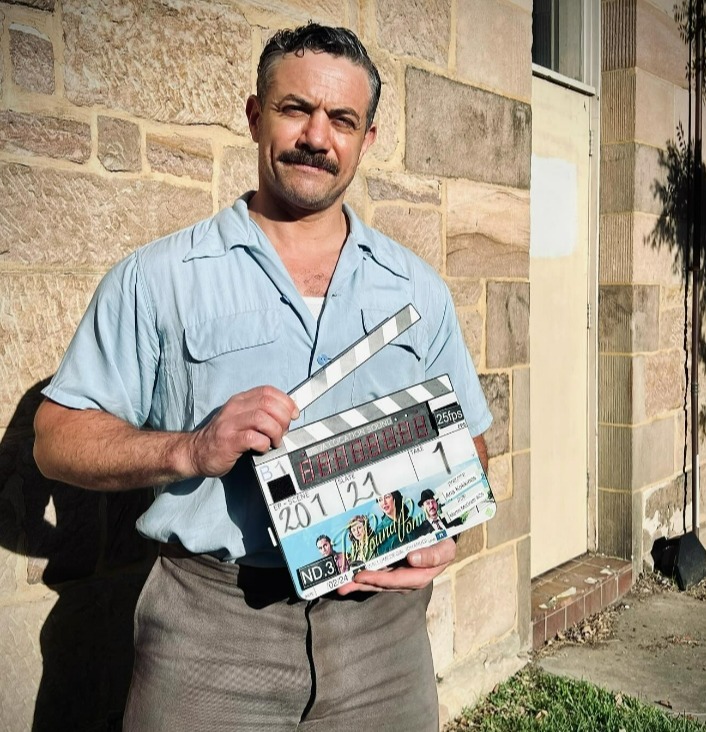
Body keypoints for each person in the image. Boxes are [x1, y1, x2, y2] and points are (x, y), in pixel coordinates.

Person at [33, 23, 491, 732]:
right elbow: (55, 438)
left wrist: (444, 523)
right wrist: (186, 449)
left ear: (367, 140)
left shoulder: (417, 291)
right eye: (294, 109)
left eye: (342, 119)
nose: (317, 135)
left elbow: (471, 445)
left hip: (384, 643)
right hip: (210, 634)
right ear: (254, 116)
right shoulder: (159, 280)